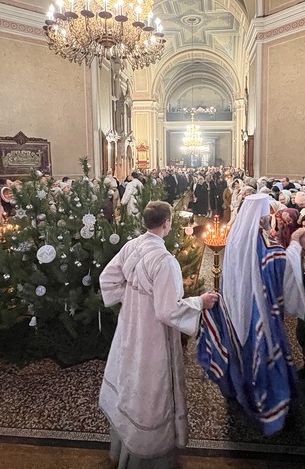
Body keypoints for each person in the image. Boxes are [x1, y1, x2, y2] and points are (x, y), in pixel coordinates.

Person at [98, 201, 218, 468]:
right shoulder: (164, 260)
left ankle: (123, 448)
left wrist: (132, 302)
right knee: (150, 387)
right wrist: (200, 301)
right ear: (167, 223)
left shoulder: (132, 246)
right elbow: (168, 311)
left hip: (130, 327)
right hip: (153, 336)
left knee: (130, 378)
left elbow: (107, 279)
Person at [199, 193, 305, 436]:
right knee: (263, 351)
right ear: (263, 216)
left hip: (235, 304)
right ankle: (264, 402)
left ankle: (239, 389)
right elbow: (283, 269)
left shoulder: (236, 237)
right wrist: (296, 246)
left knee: (240, 349)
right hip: (260, 309)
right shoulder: (267, 246)